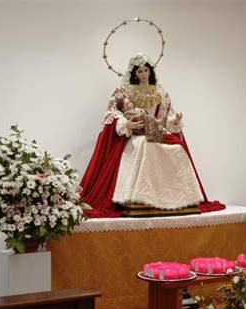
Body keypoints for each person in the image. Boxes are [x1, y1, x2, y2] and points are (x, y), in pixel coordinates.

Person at [80, 53, 225, 217]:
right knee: (144, 145)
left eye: (146, 70)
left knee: (178, 147)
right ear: (134, 73)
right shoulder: (124, 91)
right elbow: (112, 113)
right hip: (136, 134)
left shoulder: (161, 93)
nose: (143, 74)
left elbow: (167, 116)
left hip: (157, 131)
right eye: (140, 71)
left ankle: (179, 197)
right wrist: (126, 124)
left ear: (151, 71)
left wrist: (174, 120)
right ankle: (140, 198)